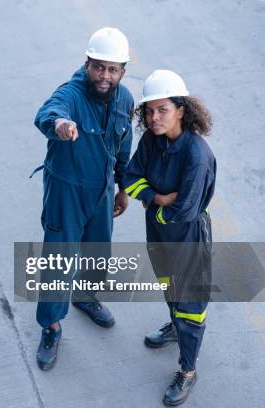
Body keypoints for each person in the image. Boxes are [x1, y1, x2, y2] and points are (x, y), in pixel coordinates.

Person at [31, 27, 134, 371]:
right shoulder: (72, 95)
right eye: (98, 67)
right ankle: (51, 325)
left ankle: (86, 297)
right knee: (59, 259)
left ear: (123, 71)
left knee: (98, 249)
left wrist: (122, 187)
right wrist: (59, 124)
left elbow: (123, 146)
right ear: (87, 63)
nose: (104, 76)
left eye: (112, 69)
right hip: (67, 190)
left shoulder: (124, 99)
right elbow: (49, 111)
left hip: (102, 189)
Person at [123, 70, 215, 406]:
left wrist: (156, 208)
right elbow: (131, 176)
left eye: (162, 109)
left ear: (181, 110)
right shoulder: (152, 140)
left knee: (190, 306)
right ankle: (175, 326)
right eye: (149, 110)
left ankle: (188, 371)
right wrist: (158, 198)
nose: (153, 117)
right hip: (160, 233)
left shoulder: (197, 156)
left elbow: (186, 209)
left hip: (188, 237)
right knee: (170, 288)